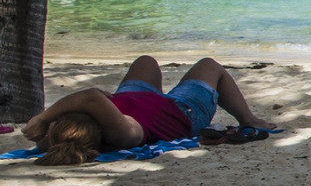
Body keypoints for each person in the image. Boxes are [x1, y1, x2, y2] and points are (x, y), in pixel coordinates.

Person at [18, 56, 275, 166]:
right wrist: (43, 117)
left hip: (134, 96)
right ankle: (248, 118)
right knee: (210, 66)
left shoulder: (51, 140)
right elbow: (90, 99)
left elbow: (90, 103)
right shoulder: (123, 135)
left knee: (146, 61)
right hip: (181, 111)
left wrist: (42, 126)